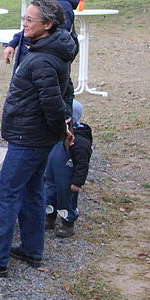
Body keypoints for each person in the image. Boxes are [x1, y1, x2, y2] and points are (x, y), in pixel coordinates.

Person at [0, 0, 76, 277]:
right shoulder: (48, 46)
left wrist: (62, 129)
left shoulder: (42, 60)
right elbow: (65, 91)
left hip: (29, 136)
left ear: (47, 25)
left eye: (29, 20)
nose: (23, 25)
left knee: (7, 193)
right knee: (33, 190)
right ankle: (31, 248)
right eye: (23, 19)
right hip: (36, 135)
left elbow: (54, 101)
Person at [3, 0, 80, 68]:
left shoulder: (63, 7)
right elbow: (31, 28)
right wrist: (13, 43)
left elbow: (60, 42)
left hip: (43, 67)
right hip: (30, 62)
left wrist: (35, 62)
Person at [45, 100, 93, 238]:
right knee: (50, 195)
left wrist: (78, 181)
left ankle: (68, 223)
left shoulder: (79, 142)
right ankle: (49, 218)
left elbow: (83, 163)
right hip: (52, 176)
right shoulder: (57, 135)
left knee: (66, 199)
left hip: (67, 180)